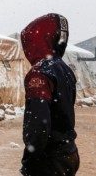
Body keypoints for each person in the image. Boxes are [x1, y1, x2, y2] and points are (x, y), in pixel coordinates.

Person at [20, 14, 80, 176]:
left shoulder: (39, 73)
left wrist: (30, 158)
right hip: (69, 152)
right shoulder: (65, 69)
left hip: (49, 159)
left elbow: (39, 125)